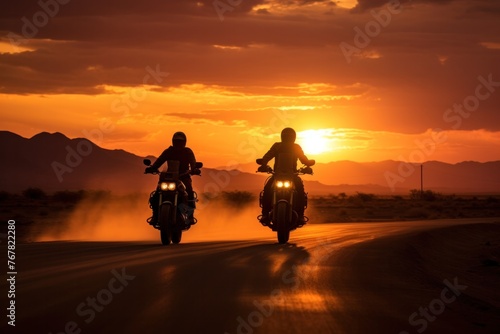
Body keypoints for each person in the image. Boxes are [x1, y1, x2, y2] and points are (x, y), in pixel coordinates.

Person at [257, 127, 314, 226]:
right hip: (277, 175)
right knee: (267, 189)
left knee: (300, 190)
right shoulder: (277, 146)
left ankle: (300, 215)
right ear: (282, 136)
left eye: (289, 136)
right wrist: (263, 164)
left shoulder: (296, 147)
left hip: (292, 176)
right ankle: (265, 214)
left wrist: (308, 165)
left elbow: (303, 159)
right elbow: (268, 156)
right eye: (286, 135)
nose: (288, 137)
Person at [145, 131, 199, 226]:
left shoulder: (187, 152)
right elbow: (159, 161)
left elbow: (193, 163)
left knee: (189, 192)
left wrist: (195, 169)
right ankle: (155, 215)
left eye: (180, 142)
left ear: (184, 142)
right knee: (157, 193)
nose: (178, 144)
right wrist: (152, 168)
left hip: (183, 176)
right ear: (173, 141)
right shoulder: (168, 151)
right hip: (169, 177)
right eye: (176, 141)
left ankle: (190, 216)